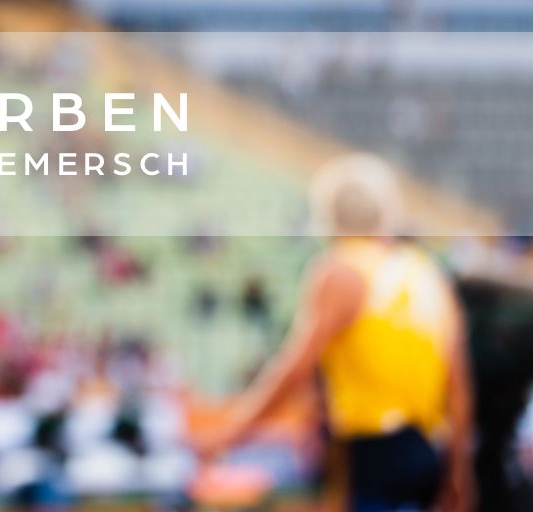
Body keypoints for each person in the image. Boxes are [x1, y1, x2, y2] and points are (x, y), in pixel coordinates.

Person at [196, 153, 473, 512]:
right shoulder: (427, 274)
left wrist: (231, 434)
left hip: (374, 453)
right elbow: (458, 386)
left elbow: (295, 368)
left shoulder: (342, 271)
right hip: (427, 450)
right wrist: (460, 470)